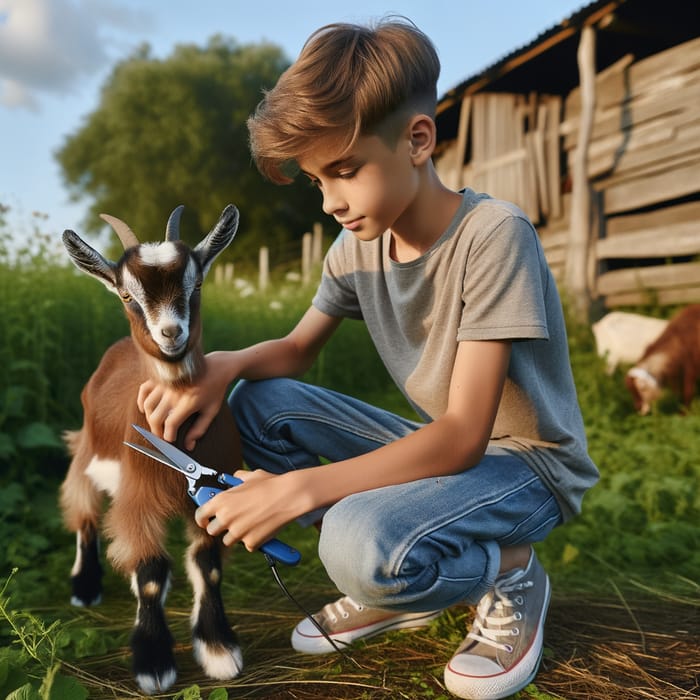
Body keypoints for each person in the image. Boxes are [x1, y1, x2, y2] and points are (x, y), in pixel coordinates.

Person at [138, 16, 599, 700]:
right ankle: (393, 566)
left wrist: (304, 489)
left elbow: (467, 433)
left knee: (351, 540)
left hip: (526, 467)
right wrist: (225, 366)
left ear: (418, 140)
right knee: (262, 407)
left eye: (345, 172)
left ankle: (507, 568)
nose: (329, 202)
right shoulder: (356, 250)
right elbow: (295, 351)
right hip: (444, 453)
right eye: (317, 180)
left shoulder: (494, 236)